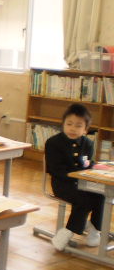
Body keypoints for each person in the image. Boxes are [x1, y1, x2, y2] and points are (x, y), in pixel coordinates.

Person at [45, 103, 105, 251]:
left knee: (101, 194)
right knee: (84, 199)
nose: (72, 128)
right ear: (63, 124)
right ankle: (67, 232)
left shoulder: (88, 143)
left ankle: (94, 229)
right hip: (62, 184)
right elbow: (55, 170)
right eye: (69, 124)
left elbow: (87, 164)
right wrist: (77, 176)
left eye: (78, 125)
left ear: (85, 130)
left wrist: (96, 168)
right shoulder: (53, 143)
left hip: (84, 183)